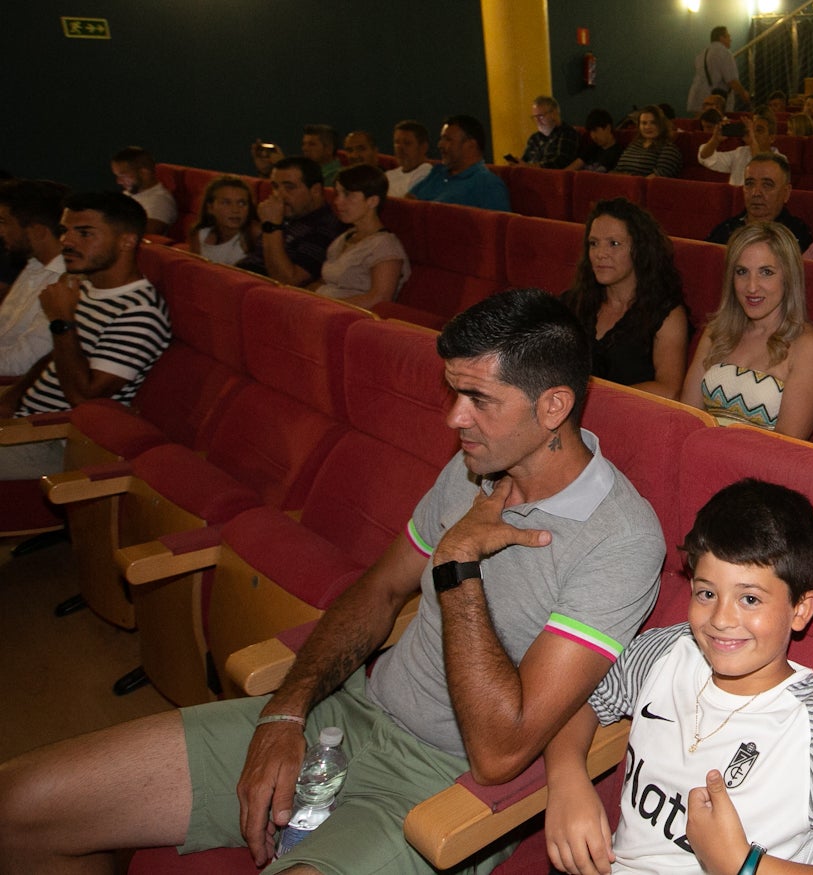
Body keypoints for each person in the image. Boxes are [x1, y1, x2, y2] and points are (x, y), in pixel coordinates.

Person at [0, 289, 666, 875]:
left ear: (554, 406)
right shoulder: (473, 465)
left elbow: (500, 750)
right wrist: (288, 710)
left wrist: (459, 569)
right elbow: (377, 591)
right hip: (346, 715)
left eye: (478, 399)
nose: (452, 419)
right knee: (19, 807)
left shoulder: (621, 539)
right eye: (452, 392)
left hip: (438, 781)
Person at [543, 478, 813, 875]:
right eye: (707, 593)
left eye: (750, 599)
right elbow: (579, 699)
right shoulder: (664, 653)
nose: (722, 620)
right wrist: (567, 777)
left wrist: (745, 866)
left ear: (800, 610)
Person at [0, 191, 171, 480]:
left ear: (127, 241)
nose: (67, 241)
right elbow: (56, 357)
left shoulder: (140, 312)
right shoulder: (88, 288)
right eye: (65, 231)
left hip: (59, 443)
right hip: (27, 420)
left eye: (85, 233)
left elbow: (84, 398)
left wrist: (62, 321)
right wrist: (13, 395)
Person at [681, 222, 813, 438]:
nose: (751, 286)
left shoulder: (808, 347)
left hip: (759, 468)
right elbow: (687, 416)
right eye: (742, 272)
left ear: (788, 278)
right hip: (701, 456)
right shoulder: (716, 332)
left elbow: (786, 444)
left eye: (766, 272)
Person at [562, 198, 689, 399]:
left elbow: (669, 390)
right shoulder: (574, 301)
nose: (600, 254)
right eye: (593, 244)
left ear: (639, 250)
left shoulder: (666, 314)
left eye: (614, 244)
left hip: (629, 420)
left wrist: (594, 396)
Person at [315, 164, 410, 310]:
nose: (337, 201)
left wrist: (323, 307)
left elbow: (380, 298)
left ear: (372, 201)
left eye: (347, 194)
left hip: (345, 317)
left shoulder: (385, 246)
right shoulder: (345, 237)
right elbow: (324, 282)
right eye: (337, 193)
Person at [238, 157, 345, 285]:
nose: (279, 195)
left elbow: (288, 280)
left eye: (290, 187)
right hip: (243, 278)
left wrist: (272, 226)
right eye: (276, 187)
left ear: (315, 190)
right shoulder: (286, 214)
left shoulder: (327, 227)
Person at [0, 180, 68, 376]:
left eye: (4, 222)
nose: (0, 232)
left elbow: (21, 365)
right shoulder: (35, 264)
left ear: (37, 231)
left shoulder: (62, 282)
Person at [707, 153, 813, 249]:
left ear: (786, 193)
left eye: (767, 185)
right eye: (750, 184)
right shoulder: (726, 230)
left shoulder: (796, 234)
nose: (756, 193)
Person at [409, 114, 512, 211]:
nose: (440, 145)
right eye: (441, 139)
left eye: (448, 140)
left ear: (471, 145)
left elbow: (497, 227)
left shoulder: (488, 185)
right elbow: (408, 200)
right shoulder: (438, 171)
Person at [187, 175, 257, 267]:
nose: (235, 210)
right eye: (226, 202)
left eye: (242, 203)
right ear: (210, 207)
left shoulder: (254, 234)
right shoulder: (199, 235)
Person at [109, 147, 177, 235]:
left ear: (144, 173)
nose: (118, 181)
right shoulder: (128, 194)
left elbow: (144, 236)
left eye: (123, 175)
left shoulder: (160, 201)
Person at [698, 111, 778, 186]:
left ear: (772, 138)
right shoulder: (740, 152)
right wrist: (715, 140)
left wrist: (752, 141)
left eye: (759, 130)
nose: (753, 133)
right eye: (752, 130)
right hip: (735, 199)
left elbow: (761, 168)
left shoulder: (779, 159)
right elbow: (705, 157)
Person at [688, 25, 749, 113]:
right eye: (728, 36)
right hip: (715, 101)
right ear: (721, 38)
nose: (730, 39)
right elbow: (731, 80)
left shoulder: (702, 53)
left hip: (697, 98)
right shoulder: (724, 53)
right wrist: (744, 95)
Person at [615, 105, 683, 177]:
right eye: (644, 123)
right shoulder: (634, 145)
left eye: (653, 122)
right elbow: (617, 170)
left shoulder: (669, 149)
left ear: (661, 125)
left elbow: (656, 179)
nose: (648, 127)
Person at [521, 96, 582, 170]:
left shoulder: (568, 133)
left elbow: (559, 163)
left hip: (551, 179)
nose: (537, 121)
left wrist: (530, 167)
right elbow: (524, 160)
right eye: (534, 117)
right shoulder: (534, 138)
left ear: (554, 113)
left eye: (540, 116)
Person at [387, 120, 434, 199]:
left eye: (407, 143)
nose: (400, 148)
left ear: (423, 147)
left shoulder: (427, 173)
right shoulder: (388, 175)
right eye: (397, 142)